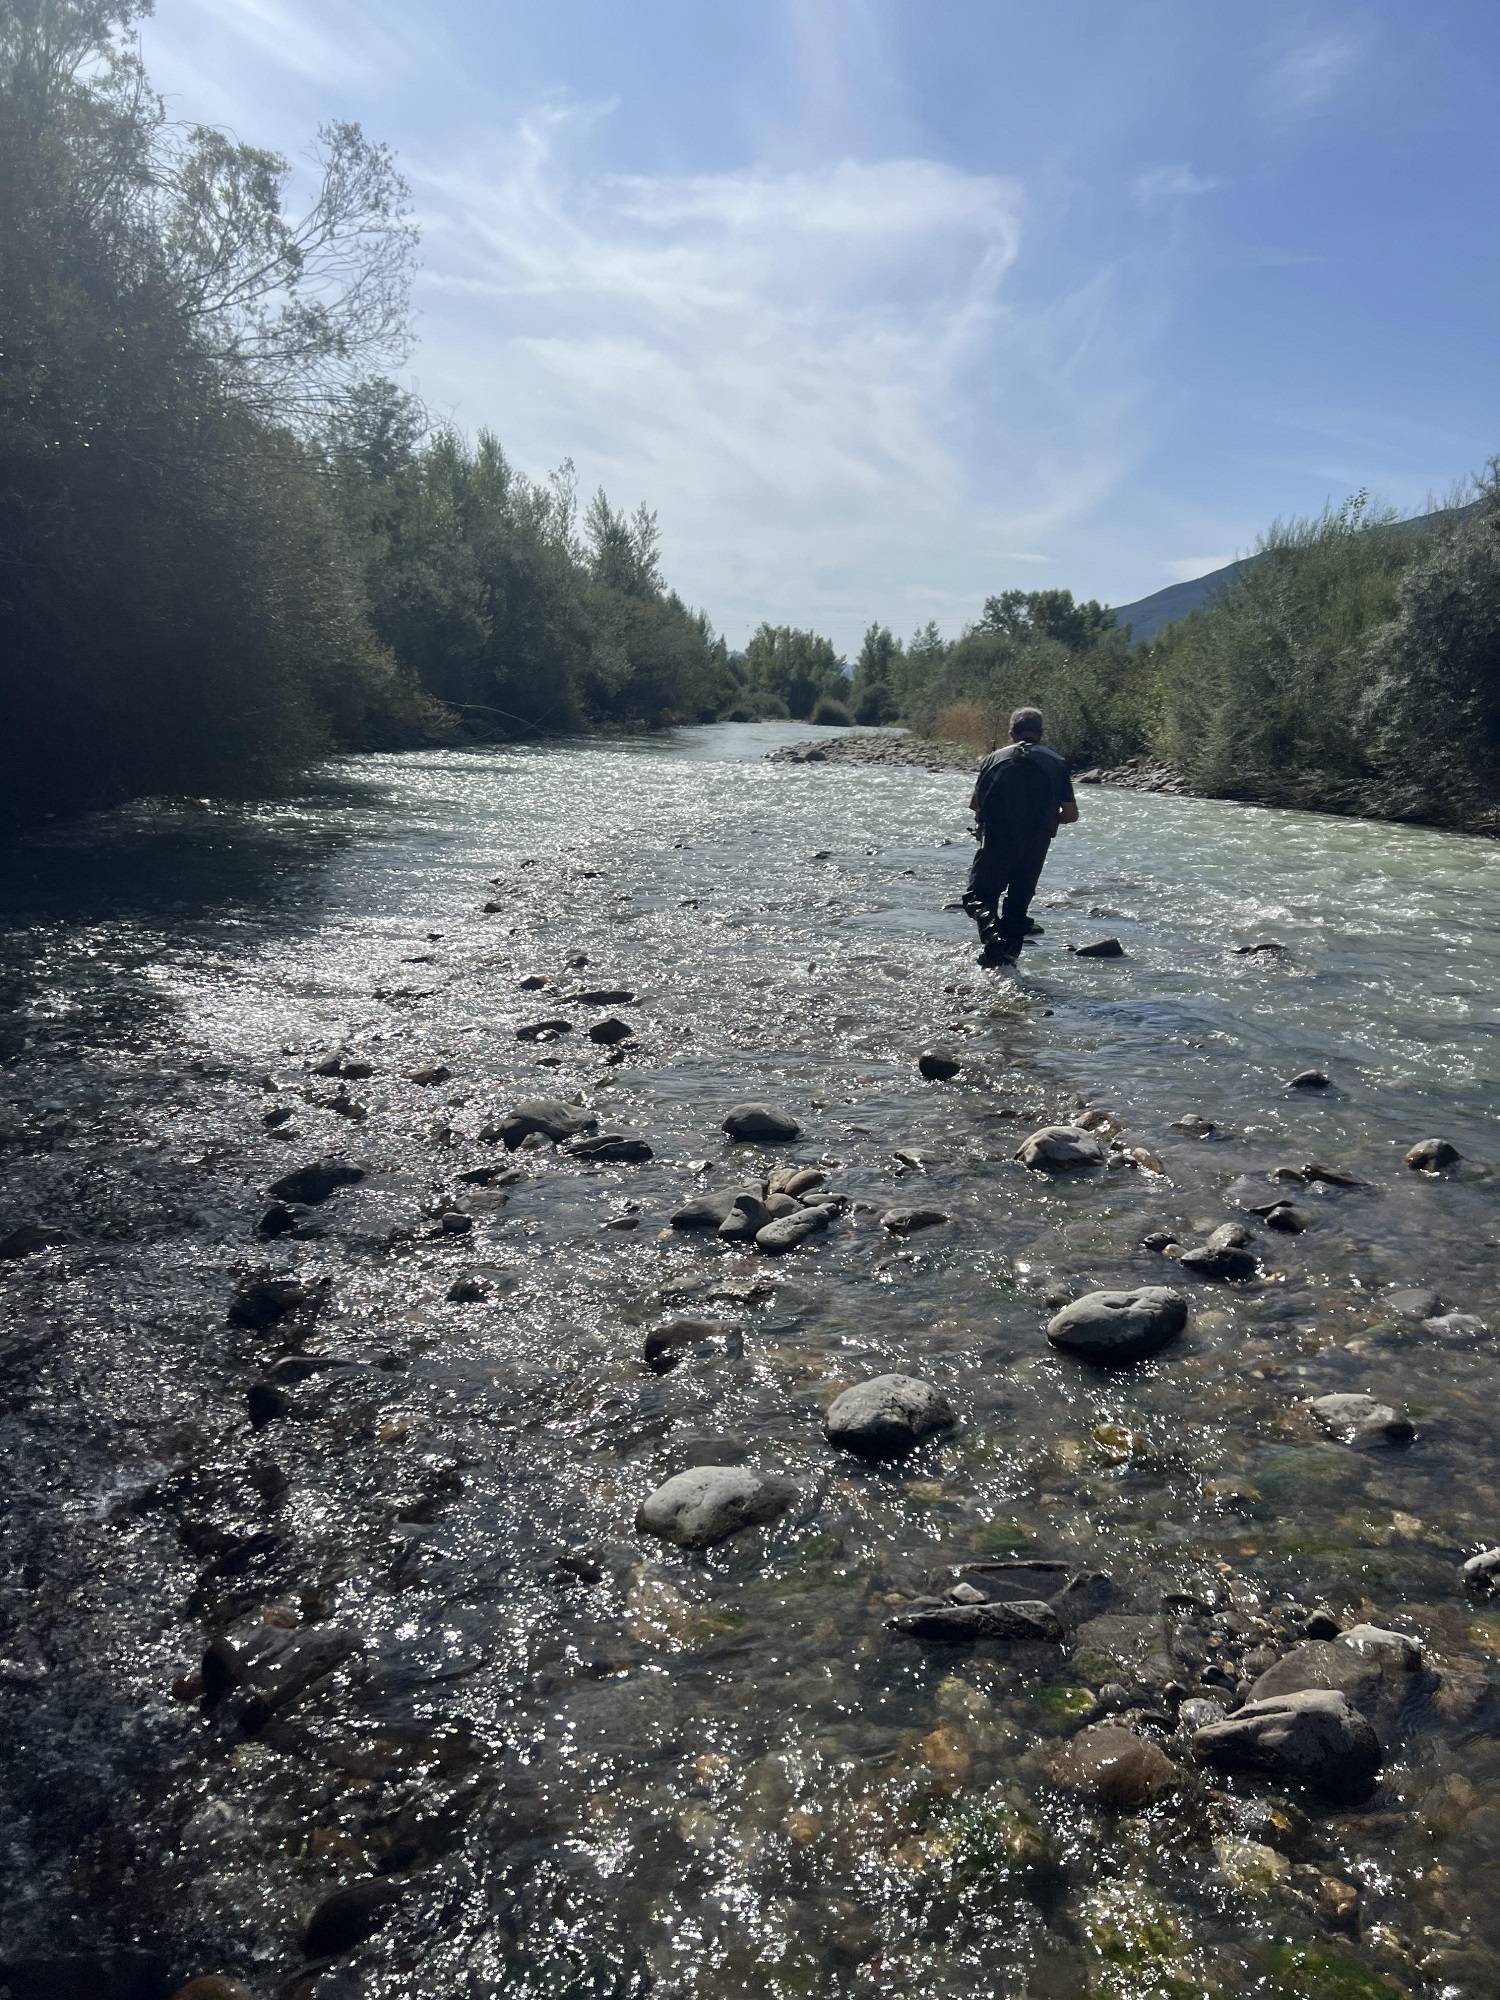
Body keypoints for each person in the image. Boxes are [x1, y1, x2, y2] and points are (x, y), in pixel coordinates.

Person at [964, 706, 1077, 967]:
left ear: (1011, 733)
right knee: (1018, 901)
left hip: (994, 839)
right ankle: (1005, 961)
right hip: (1036, 842)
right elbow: (1070, 814)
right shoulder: (1056, 762)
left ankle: (991, 938)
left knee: (979, 896)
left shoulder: (993, 759)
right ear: (1041, 734)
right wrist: (1048, 820)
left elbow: (974, 805)